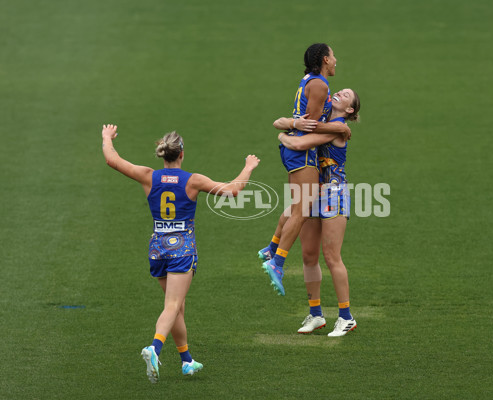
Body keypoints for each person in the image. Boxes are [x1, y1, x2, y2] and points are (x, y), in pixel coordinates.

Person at [101, 124, 260, 382]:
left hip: (157, 247)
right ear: (181, 154)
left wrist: (107, 137)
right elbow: (232, 190)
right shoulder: (192, 180)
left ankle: (186, 360)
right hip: (182, 249)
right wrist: (249, 166)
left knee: (176, 307)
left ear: (163, 154)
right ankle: (154, 347)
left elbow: (112, 159)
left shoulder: (148, 176)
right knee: (173, 305)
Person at [260, 43, 350, 296]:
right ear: (324, 59)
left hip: (295, 151)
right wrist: (338, 128)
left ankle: (271, 248)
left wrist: (287, 126)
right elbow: (310, 125)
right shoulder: (320, 85)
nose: (336, 60)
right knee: (301, 210)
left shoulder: (308, 80)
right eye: (333, 56)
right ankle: (276, 262)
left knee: (297, 206)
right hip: (303, 153)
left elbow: (299, 121)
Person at [274, 88, 361, 336]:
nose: (340, 93)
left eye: (347, 95)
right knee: (309, 256)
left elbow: (299, 142)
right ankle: (315, 314)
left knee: (332, 256)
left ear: (350, 110)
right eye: (341, 91)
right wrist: (291, 124)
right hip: (312, 194)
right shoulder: (325, 122)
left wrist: (282, 137)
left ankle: (346, 317)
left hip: (334, 194)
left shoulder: (338, 127)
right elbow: (283, 122)